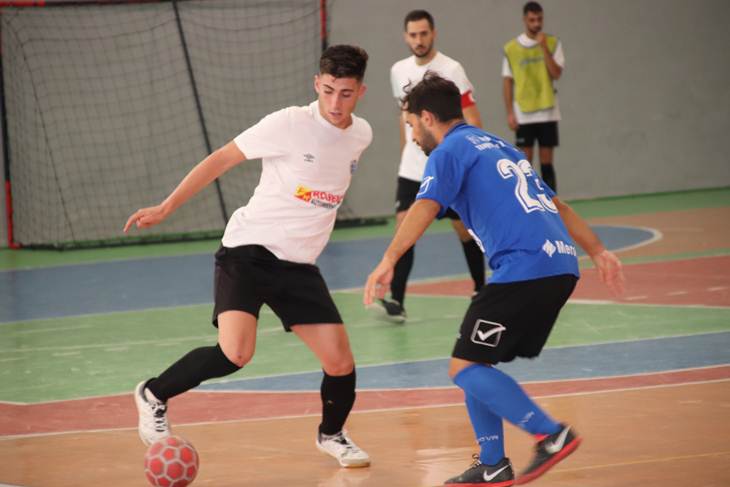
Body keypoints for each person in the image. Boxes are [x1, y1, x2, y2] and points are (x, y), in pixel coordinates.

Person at [364, 73, 624, 485]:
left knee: (463, 367)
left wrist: (388, 259)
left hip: (525, 268)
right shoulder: (500, 146)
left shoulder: (448, 152)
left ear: (428, 117)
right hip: (558, 265)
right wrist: (597, 250)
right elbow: (558, 205)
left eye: (412, 125)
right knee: (475, 358)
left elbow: (424, 206)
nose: (412, 136)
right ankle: (493, 464)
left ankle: (550, 434)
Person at [123, 44, 373, 469]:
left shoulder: (361, 135)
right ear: (316, 83)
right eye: (328, 90)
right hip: (248, 250)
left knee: (340, 362)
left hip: (298, 266)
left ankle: (332, 434)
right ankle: (153, 393)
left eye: (346, 93)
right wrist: (167, 207)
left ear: (360, 92)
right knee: (234, 353)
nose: (335, 103)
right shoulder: (288, 123)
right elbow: (222, 159)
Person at [376, 9, 486, 323]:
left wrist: (467, 160)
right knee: (404, 228)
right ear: (405, 36)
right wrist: (406, 154)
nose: (419, 40)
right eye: (413, 35)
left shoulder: (452, 69)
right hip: (412, 169)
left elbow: (471, 119)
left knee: (464, 230)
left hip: (447, 166)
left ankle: (481, 289)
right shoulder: (398, 71)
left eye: (424, 33)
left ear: (433, 33)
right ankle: (397, 301)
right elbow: (404, 118)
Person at [503, 1, 564, 193]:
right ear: (525, 20)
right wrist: (510, 113)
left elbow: (556, 73)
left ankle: (552, 203)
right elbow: (507, 81)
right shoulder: (511, 48)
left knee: (547, 164)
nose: (536, 24)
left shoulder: (553, 43)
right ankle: (528, 201)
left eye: (539, 19)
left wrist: (544, 48)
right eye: (532, 20)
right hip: (523, 114)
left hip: (548, 112)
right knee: (524, 164)